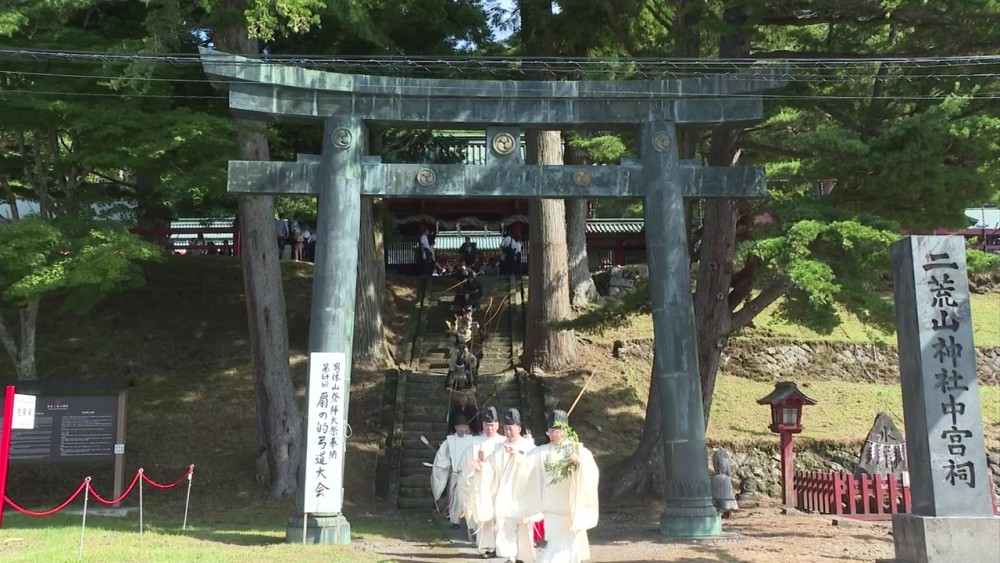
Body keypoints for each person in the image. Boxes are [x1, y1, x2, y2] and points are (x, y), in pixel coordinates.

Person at [524, 410, 599, 563]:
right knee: (555, 543)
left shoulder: (577, 450)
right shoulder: (541, 452)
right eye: (550, 431)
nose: (553, 434)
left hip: (570, 509)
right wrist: (515, 455)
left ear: (565, 430)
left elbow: (592, 472)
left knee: (568, 547)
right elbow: (524, 465)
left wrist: (579, 463)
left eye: (557, 430)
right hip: (552, 508)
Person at [468, 408, 539, 563]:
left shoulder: (528, 447)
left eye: (511, 428)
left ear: (519, 428)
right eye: (506, 429)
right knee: (505, 526)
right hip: (504, 495)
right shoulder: (499, 447)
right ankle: (510, 557)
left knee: (523, 529)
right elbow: (490, 466)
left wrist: (517, 456)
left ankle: (522, 557)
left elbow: (534, 467)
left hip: (522, 494)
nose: (508, 432)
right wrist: (482, 468)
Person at [458, 406, 506, 553]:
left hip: (498, 484)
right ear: (483, 425)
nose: (489, 428)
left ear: (497, 425)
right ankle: (485, 545)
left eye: (492, 425)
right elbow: (466, 464)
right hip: (480, 484)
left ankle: (501, 545)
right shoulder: (475, 443)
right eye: (486, 425)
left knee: (499, 514)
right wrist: (472, 469)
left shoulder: (503, 442)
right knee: (483, 512)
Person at [431, 415, 475, 530]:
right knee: (455, 498)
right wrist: (447, 464)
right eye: (460, 427)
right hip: (455, 473)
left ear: (467, 428)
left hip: (468, 474)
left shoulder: (472, 440)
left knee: (469, 498)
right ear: (456, 428)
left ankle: (470, 522)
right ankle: (454, 521)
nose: (462, 429)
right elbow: (441, 456)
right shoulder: (449, 441)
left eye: (464, 427)